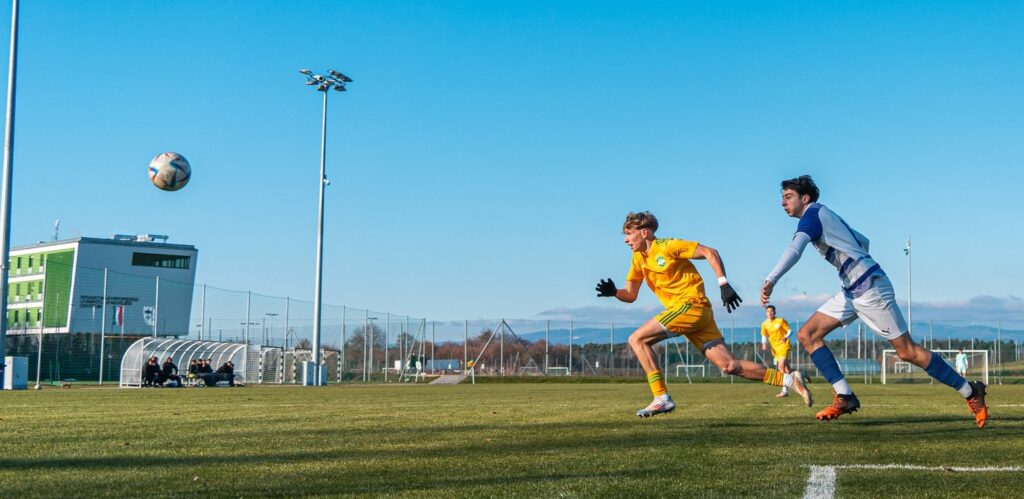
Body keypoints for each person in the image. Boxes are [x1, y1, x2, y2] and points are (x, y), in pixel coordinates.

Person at [760, 175, 988, 427]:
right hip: (851, 290)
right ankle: (844, 396)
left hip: (871, 290)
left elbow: (794, 250)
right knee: (808, 335)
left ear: (805, 198)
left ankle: (971, 391)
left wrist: (771, 279)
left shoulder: (811, 216)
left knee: (907, 352)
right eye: (782, 197)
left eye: (788, 197)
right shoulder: (824, 216)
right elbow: (864, 241)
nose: (783, 202)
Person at [597, 211, 812, 417]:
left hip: (691, 306)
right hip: (698, 315)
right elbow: (631, 294)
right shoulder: (638, 259)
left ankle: (661, 397)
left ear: (644, 232)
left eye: (629, 233)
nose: (626, 239)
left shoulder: (668, 246)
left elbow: (710, 252)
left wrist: (723, 283)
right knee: (729, 365)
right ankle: (788, 380)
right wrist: (614, 292)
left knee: (637, 339)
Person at [760, 305, 793, 398]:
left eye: (771, 311)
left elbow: (790, 331)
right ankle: (802, 374)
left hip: (784, 345)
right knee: (787, 370)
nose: (769, 313)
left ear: (775, 312)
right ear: (766, 313)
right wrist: (764, 344)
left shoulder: (781, 320)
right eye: (768, 311)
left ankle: (784, 391)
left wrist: (785, 337)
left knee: (781, 367)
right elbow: (764, 335)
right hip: (775, 348)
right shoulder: (764, 324)